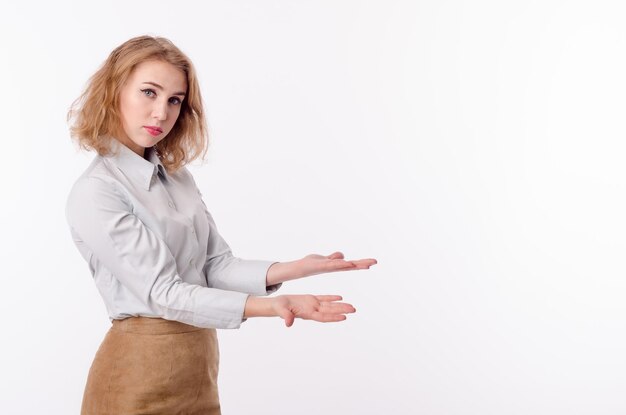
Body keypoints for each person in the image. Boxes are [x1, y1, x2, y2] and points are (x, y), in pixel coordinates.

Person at [65, 35, 377, 415]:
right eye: (149, 92)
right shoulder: (97, 191)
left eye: (174, 100)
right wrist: (274, 305)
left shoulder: (177, 178)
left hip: (198, 367)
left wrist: (295, 269)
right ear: (114, 91)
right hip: (136, 373)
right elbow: (165, 293)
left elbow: (214, 265)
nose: (161, 113)